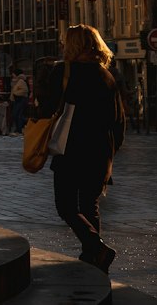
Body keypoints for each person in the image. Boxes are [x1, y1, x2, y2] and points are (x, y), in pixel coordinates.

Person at [35, 24, 125, 274]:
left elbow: (48, 106)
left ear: (71, 44)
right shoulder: (106, 74)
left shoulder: (63, 71)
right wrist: (113, 148)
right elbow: (119, 118)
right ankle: (92, 256)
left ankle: (96, 248)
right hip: (100, 148)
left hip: (71, 147)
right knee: (89, 204)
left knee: (65, 205)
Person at [9, 67, 29, 133]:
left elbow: (25, 90)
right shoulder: (16, 81)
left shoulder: (21, 81)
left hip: (20, 100)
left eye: (13, 73)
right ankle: (18, 129)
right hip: (17, 100)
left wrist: (15, 93)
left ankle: (23, 126)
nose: (12, 74)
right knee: (16, 115)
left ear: (16, 74)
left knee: (18, 115)